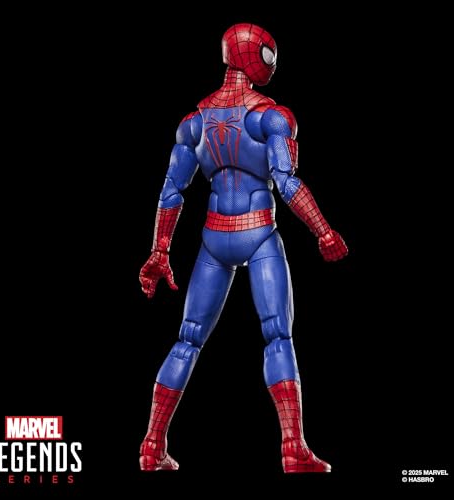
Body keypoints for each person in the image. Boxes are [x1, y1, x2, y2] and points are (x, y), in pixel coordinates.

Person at [139, 23, 348, 473]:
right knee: (278, 335)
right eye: (268, 55)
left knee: (187, 339)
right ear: (254, 56)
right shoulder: (271, 117)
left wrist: (160, 251)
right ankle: (292, 447)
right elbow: (286, 183)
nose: (272, 63)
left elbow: (172, 191)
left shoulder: (194, 122)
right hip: (258, 234)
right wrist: (324, 231)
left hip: (214, 238)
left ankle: (152, 444)